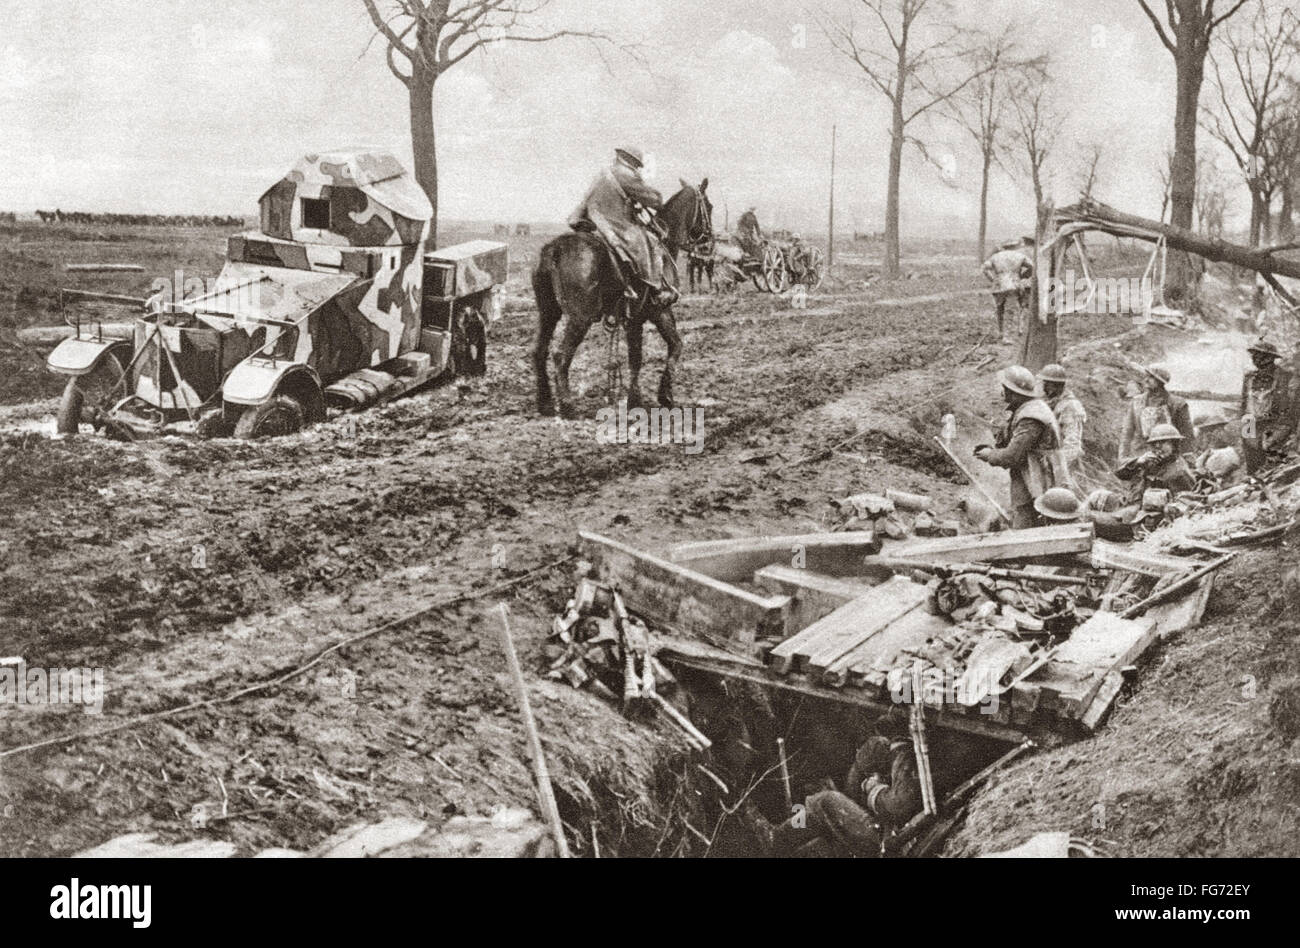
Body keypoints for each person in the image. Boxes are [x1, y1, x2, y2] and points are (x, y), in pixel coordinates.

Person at [769, 723, 989, 857]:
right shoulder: (938, 756)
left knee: (825, 800)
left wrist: (873, 785)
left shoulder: (908, 757)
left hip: (891, 843)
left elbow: (898, 807)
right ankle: (781, 839)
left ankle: (777, 838)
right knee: (817, 816)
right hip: (894, 832)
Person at [569, 146, 677, 306]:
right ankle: (654, 287)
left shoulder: (603, 173)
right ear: (631, 161)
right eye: (637, 165)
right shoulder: (625, 174)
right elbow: (655, 200)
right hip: (611, 222)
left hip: (589, 220)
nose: (637, 168)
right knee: (649, 242)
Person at [974, 365, 1070, 529]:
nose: (1002, 391)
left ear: (1013, 392)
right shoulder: (1028, 408)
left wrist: (989, 455)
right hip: (1033, 475)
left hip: (1040, 478)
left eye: (1005, 388)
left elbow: (1012, 456)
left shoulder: (1031, 417)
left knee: (1033, 522)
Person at [1239, 338, 1297, 474]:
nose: (1254, 358)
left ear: (1269, 357)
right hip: (1249, 420)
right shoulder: (1249, 377)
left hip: (1274, 422)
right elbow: (1244, 402)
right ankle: (1252, 482)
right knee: (1251, 456)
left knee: (1271, 458)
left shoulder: (1285, 376)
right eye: (1253, 355)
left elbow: (1290, 406)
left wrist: (1283, 427)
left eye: (1258, 354)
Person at [1118, 363, 1194, 462]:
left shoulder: (1177, 404)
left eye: (1151, 377)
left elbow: (1187, 434)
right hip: (1141, 455)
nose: (1146, 380)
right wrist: (1123, 457)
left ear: (1160, 381)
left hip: (1169, 456)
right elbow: (1127, 432)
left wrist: (1187, 458)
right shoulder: (1136, 402)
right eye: (1147, 376)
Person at [1115, 423, 1196, 504]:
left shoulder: (1180, 471)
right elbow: (1120, 475)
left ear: (1174, 445)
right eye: (1154, 443)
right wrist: (1138, 462)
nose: (1157, 446)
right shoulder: (1150, 462)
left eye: (1163, 442)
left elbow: (1188, 502)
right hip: (1134, 504)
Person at [1038, 363, 1087, 476]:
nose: (1043, 386)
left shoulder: (1070, 406)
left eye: (1046, 383)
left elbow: (1072, 445)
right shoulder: (1049, 402)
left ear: (1054, 386)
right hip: (1046, 460)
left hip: (1063, 467)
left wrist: (1055, 468)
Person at [981, 243, 1034, 343]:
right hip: (1013, 284)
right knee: (1012, 310)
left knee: (1000, 309)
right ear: (1015, 247)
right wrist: (1022, 276)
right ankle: (1009, 336)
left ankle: (1001, 332)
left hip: (998, 285)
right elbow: (1033, 267)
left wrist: (992, 279)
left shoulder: (995, 256)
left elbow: (984, 268)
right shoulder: (1020, 256)